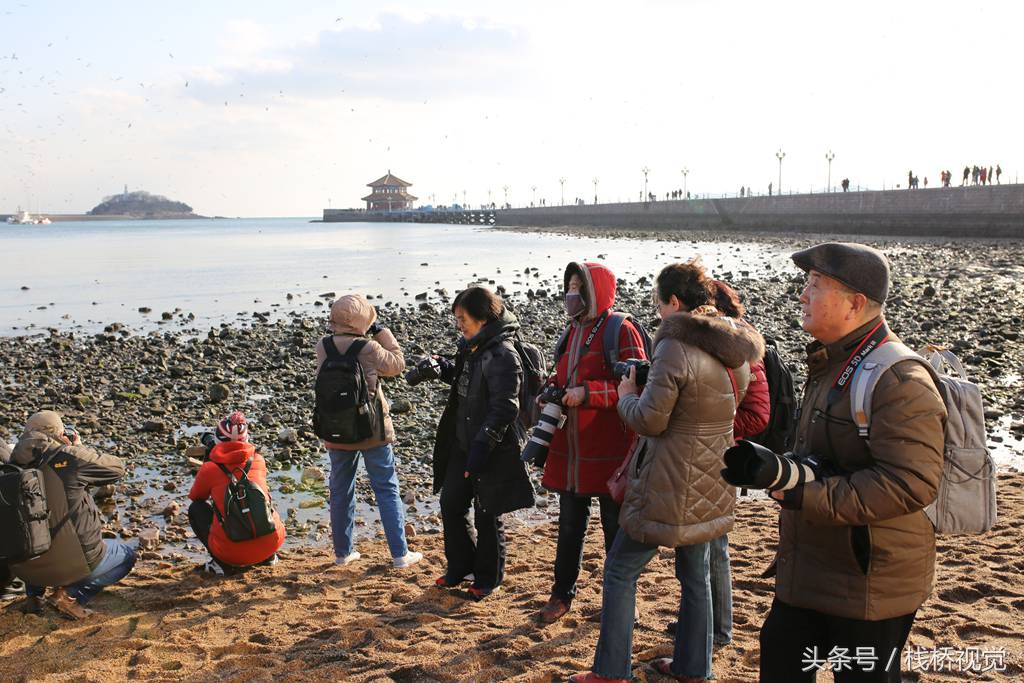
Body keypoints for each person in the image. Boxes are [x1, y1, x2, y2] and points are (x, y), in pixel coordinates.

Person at [756, 242, 946, 682]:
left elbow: (911, 482)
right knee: (780, 662)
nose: (802, 295)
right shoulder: (830, 363)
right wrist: (779, 468)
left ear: (856, 303)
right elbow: (826, 456)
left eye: (815, 286)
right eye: (806, 284)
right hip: (808, 572)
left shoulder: (899, 378)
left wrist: (806, 494)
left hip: (868, 587)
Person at [571, 261, 764, 683]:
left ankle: (610, 672)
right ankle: (695, 668)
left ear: (674, 302)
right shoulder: (735, 347)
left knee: (620, 570)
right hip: (714, 477)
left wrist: (626, 395)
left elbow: (650, 420)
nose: (658, 313)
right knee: (696, 576)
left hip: (669, 480)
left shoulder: (674, 346)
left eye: (659, 304)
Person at [538, 262, 648, 624]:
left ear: (595, 290)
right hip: (572, 452)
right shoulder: (571, 331)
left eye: (578, 287)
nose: (572, 294)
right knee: (569, 526)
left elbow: (641, 384)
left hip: (610, 450)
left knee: (614, 528)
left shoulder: (621, 328)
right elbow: (561, 374)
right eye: (569, 287)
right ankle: (561, 594)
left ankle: (621, 602)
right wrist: (549, 390)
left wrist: (587, 393)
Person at [432, 286, 534, 599]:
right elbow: (468, 381)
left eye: (463, 318)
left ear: (482, 317)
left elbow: (505, 407)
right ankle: (461, 566)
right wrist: (441, 369)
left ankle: (488, 578)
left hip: (493, 446)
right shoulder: (472, 346)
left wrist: (481, 447)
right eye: (457, 319)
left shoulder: (503, 353)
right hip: (464, 441)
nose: (459, 324)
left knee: (487, 513)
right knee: (451, 503)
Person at [316, 294, 422, 569]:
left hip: (336, 429)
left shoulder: (323, 346)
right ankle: (400, 554)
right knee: (386, 488)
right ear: (363, 320)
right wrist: (383, 333)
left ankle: (343, 553)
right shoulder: (369, 348)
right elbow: (398, 364)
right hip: (371, 429)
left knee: (340, 490)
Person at [8, 411, 136, 619]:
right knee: (126, 556)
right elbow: (117, 469)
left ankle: (34, 597)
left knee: (32, 528)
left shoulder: (9, 465)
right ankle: (68, 596)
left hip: (23, 569)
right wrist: (76, 447)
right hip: (70, 564)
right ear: (57, 433)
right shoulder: (67, 457)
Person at [187, 411, 286, 574]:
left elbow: (197, 497)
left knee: (196, 509)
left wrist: (209, 459)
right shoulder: (259, 460)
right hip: (272, 543)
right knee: (262, 498)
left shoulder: (210, 468)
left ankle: (220, 564)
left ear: (218, 440)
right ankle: (269, 557)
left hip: (231, 554)